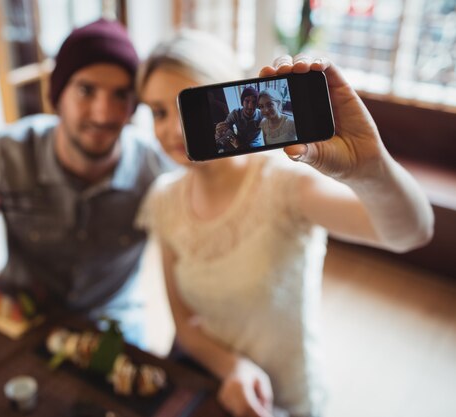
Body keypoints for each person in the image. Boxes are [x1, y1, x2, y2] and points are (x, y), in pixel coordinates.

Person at [136, 30, 433, 417]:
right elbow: (184, 324)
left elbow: (410, 232)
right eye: (159, 112)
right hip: (209, 382)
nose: (174, 130)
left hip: (287, 398)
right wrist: (233, 367)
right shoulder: (164, 198)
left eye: (186, 107)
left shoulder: (286, 183)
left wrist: (370, 168)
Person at [0, 19, 172, 344]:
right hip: (21, 317)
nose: (103, 113)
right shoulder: (7, 156)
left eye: (121, 95)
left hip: (114, 325)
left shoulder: (156, 171)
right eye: (86, 90)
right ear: (55, 96)